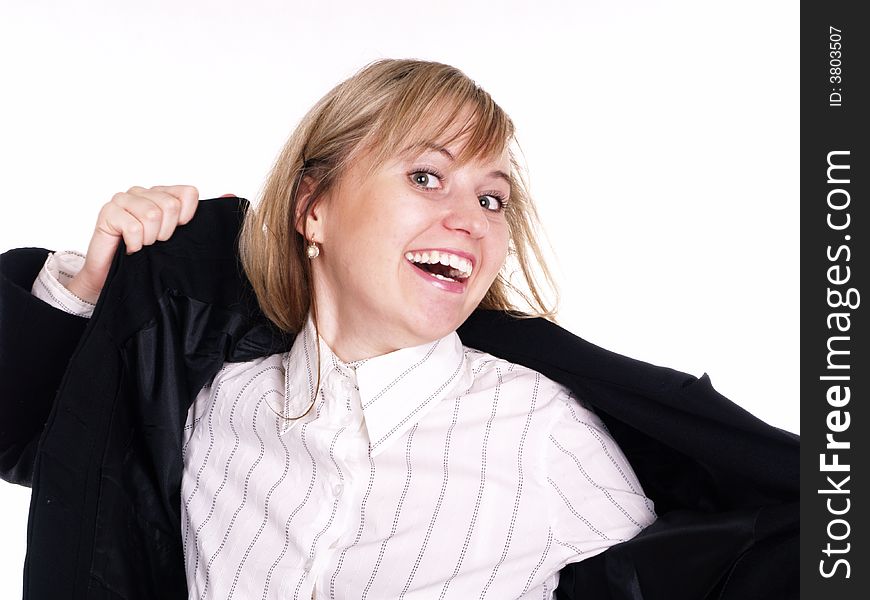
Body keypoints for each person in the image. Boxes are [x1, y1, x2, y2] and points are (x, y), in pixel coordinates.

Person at [0, 59, 797, 599]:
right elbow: (51, 457)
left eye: (491, 199)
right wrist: (93, 284)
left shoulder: (541, 429)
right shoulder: (210, 404)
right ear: (313, 208)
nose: (470, 220)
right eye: (426, 176)